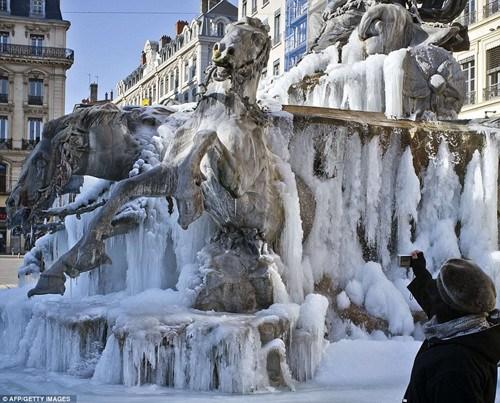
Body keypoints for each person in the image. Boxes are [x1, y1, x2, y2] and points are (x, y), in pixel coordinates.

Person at [403, 251, 500, 403]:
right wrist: (420, 271)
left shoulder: (454, 368)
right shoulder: (472, 329)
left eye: (440, 290)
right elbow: (432, 296)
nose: (435, 294)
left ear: (448, 305)